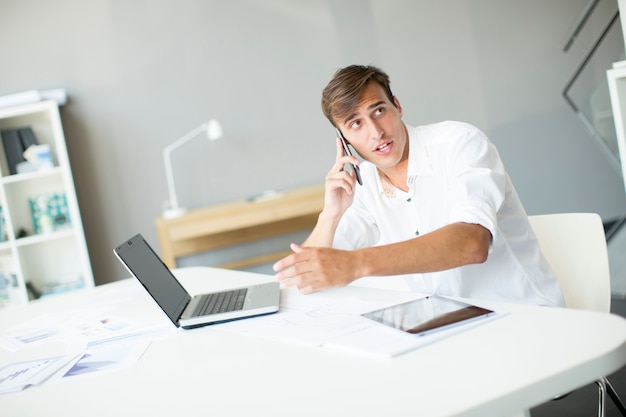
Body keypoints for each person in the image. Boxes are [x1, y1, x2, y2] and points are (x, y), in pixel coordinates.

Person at [272, 64, 564, 306]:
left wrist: (355, 264)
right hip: (443, 326)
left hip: (522, 317)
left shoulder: (459, 143)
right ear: (344, 139)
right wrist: (330, 214)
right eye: (355, 123)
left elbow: (472, 243)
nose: (376, 133)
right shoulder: (365, 183)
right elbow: (305, 279)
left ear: (397, 106)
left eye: (378, 111)